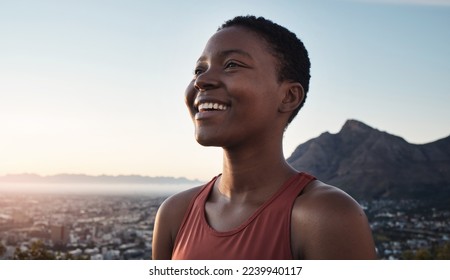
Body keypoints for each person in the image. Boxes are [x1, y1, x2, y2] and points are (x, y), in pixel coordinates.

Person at [152, 15, 377, 260]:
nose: (201, 81)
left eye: (231, 65)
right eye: (198, 70)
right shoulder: (175, 213)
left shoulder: (326, 216)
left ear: (288, 96)